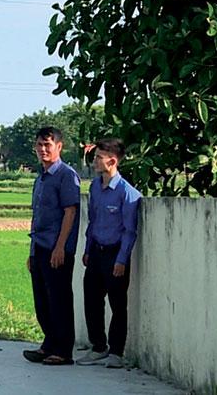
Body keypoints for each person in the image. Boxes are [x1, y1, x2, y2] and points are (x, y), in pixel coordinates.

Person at [76, 138, 142, 369]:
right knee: (92, 300)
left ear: (112, 161)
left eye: (98, 158)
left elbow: (129, 231)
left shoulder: (128, 193)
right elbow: (92, 221)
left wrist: (122, 260)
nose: (94, 162)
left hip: (115, 253)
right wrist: (87, 250)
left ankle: (116, 352)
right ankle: (98, 346)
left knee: (117, 304)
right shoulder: (95, 187)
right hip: (96, 251)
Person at [24, 126, 81, 366]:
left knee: (59, 300)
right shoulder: (41, 177)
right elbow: (36, 217)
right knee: (42, 301)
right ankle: (49, 344)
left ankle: (63, 350)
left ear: (59, 146)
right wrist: (31, 253)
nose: (43, 149)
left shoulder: (66, 175)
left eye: (48, 145)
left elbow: (70, 212)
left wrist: (60, 247)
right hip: (39, 246)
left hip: (56, 248)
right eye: (39, 145)